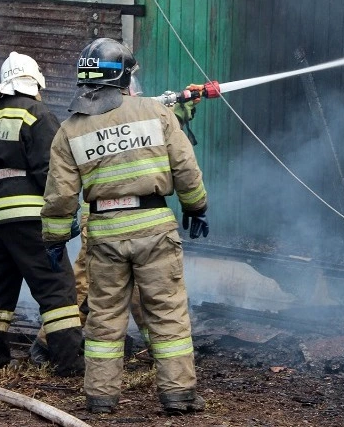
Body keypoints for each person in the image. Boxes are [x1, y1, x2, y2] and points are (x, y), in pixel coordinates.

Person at [41, 38, 210, 415]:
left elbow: (60, 195)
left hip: (104, 233)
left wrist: (54, 238)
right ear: (122, 77)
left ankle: (100, 397)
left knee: (104, 318)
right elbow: (185, 167)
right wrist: (196, 206)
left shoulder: (70, 129)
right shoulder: (156, 112)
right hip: (154, 227)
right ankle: (178, 394)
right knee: (166, 312)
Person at [0, 51, 84, 376]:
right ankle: (69, 363)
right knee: (55, 287)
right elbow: (51, 171)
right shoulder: (37, 114)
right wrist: (65, 211)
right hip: (32, 218)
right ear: (35, 83)